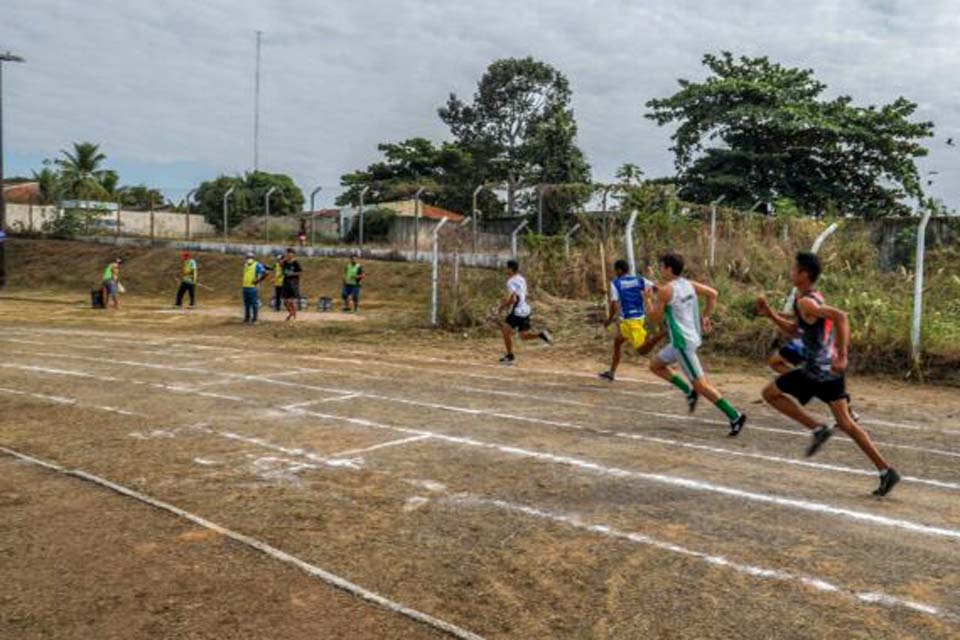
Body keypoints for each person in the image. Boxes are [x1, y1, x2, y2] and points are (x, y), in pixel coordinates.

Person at [756, 252, 900, 496]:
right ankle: (886, 471)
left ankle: (817, 428)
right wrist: (771, 314)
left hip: (818, 371)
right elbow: (795, 330)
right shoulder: (809, 298)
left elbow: (841, 316)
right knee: (846, 423)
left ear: (803, 275)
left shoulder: (806, 302)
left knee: (770, 393)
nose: (791, 272)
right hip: (829, 373)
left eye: (794, 269)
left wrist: (843, 354)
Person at [644, 253, 747, 435]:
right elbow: (713, 294)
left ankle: (735, 415)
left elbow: (655, 318)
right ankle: (689, 391)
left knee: (701, 385)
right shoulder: (688, 284)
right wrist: (706, 316)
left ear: (669, 269)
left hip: (683, 343)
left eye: (662, 267)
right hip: (685, 339)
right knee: (655, 365)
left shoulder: (666, 291)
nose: (660, 270)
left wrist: (647, 300)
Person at [598, 259, 665, 381]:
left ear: (618, 270)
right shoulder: (639, 279)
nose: (615, 273)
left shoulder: (616, 283)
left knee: (642, 350)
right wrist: (659, 299)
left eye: (615, 270)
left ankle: (664, 333)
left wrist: (609, 320)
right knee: (617, 342)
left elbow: (614, 305)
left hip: (630, 321)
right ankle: (611, 372)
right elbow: (656, 288)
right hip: (637, 317)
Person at [498, 259, 552, 365]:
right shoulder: (522, 279)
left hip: (517, 311)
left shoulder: (510, 282)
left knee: (505, 331)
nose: (506, 270)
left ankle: (510, 356)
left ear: (510, 269)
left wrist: (502, 306)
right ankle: (541, 335)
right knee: (523, 336)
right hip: (525, 309)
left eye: (507, 268)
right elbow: (521, 294)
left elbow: (513, 299)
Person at [241, 252, 268, 324]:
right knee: (246, 303)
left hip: (252, 288)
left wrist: (258, 281)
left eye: (250, 257)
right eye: (247, 257)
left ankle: (255, 319)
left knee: (254, 304)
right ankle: (247, 318)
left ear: (253, 258)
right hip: (245, 287)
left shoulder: (257, 265)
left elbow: (265, 273)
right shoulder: (246, 265)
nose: (248, 259)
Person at [281, 247, 303, 321]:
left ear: (293, 254)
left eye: (290, 253)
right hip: (285, 282)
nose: (288, 254)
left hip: (293, 283)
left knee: (290, 301)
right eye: (287, 253)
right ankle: (291, 313)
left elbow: (300, 272)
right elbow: (283, 271)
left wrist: (292, 273)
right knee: (285, 302)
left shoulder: (295, 262)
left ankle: (294, 317)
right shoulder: (284, 262)